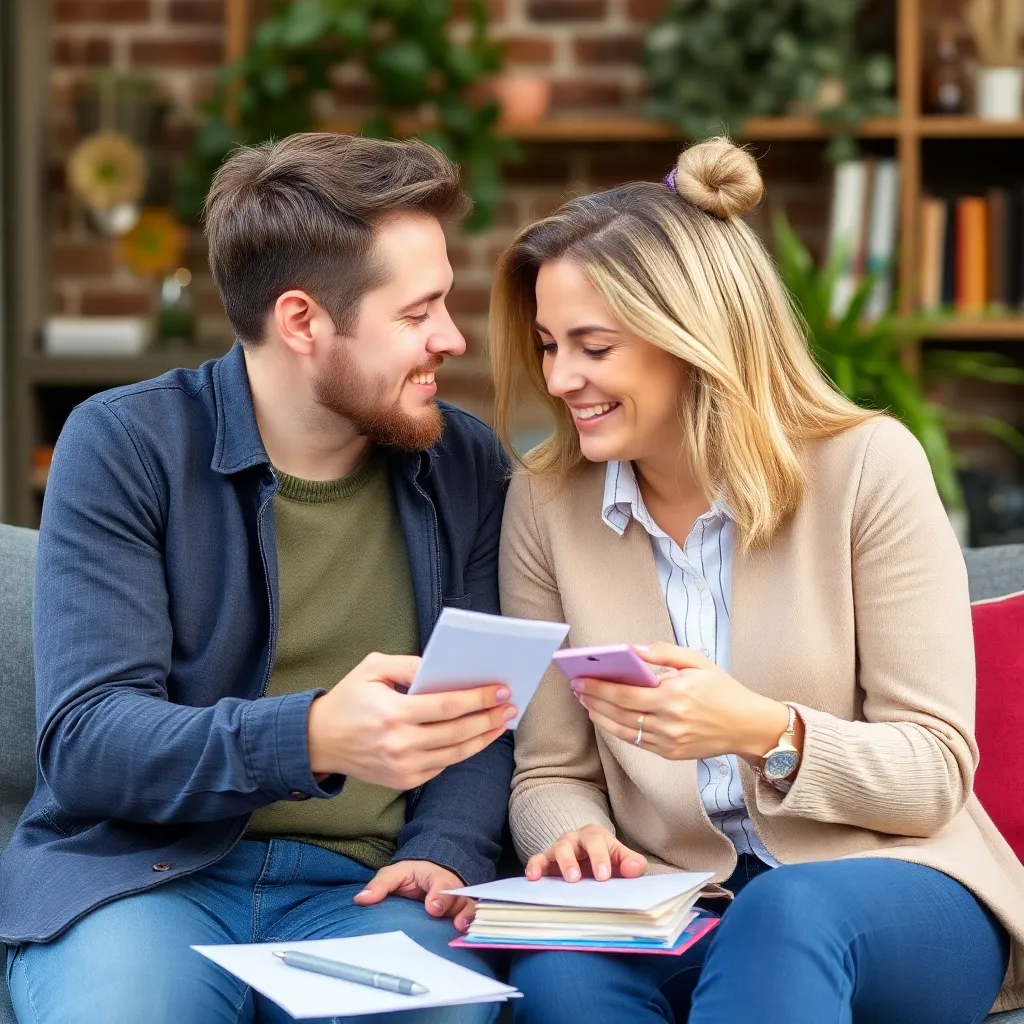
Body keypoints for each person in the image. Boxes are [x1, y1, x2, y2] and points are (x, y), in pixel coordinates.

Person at [489, 136, 1024, 1023]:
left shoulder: (866, 467)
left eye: (593, 346)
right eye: (549, 346)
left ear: (691, 341)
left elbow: (933, 770)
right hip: (674, 902)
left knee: (786, 911)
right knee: (562, 978)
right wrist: (572, 835)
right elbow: (550, 769)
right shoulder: (546, 502)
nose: (561, 379)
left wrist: (762, 730)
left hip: (895, 884)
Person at [0, 133, 515, 1024]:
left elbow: (490, 710)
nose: (451, 338)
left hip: (366, 888)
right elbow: (88, 740)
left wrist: (449, 847)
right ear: (304, 321)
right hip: (145, 880)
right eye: (416, 313)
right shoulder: (126, 446)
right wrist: (311, 736)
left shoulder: (462, 461)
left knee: (438, 1014)